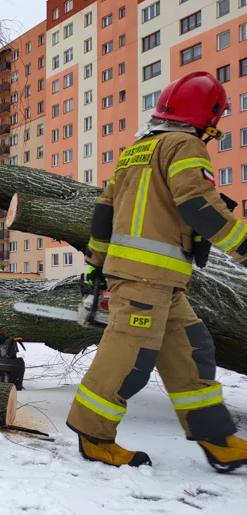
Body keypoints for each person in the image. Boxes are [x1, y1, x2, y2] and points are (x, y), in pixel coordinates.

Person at [66, 71, 247, 472]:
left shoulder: (136, 150)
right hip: (146, 279)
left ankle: (217, 439)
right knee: (127, 358)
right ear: (207, 117)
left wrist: (96, 266)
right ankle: (93, 435)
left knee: (191, 351)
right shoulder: (185, 144)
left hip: (157, 281)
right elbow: (199, 204)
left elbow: (104, 212)